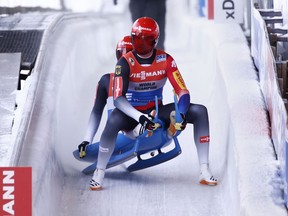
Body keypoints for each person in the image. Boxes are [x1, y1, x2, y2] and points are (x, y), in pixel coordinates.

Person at [90, 17, 217, 190]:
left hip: (156, 110)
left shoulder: (166, 60)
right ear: (132, 38)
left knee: (200, 111)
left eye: (146, 40)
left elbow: (182, 91)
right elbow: (118, 98)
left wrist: (181, 112)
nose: (141, 44)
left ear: (154, 41)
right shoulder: (124, 63)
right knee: (113, 121)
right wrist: (139, 116)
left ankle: (204, 168)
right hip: (131, 113)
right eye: (137, 39)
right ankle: (100, 170)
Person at [78, 35, 134, 158]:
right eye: (122, 55)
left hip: (140, 127)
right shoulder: (107, 80)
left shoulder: (147, 77)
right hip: (115, 131)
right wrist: (87, 140)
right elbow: (96, 112)